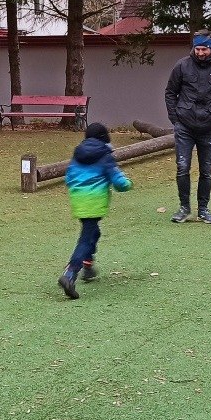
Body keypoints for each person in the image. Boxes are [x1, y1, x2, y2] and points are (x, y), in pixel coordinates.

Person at [164, 30, 211, 224]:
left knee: (206, 170)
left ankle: (203, 209)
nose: (200, 53)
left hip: (209, 126)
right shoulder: (182, 65)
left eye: (204, 49)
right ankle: (184, 208)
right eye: (197, 49)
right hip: (184, 125)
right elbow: (170, 92)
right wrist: (175, 118)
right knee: (182, 166)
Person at [58, 122, 132, 300]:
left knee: (93, 232)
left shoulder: (78, 154)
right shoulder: (105, 156)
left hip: (78, 200)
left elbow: (69, 176)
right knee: (85, 238)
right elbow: (118, 180)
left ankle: (88, 264)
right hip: (95, 201)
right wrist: (127, 184)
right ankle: (70, 273)